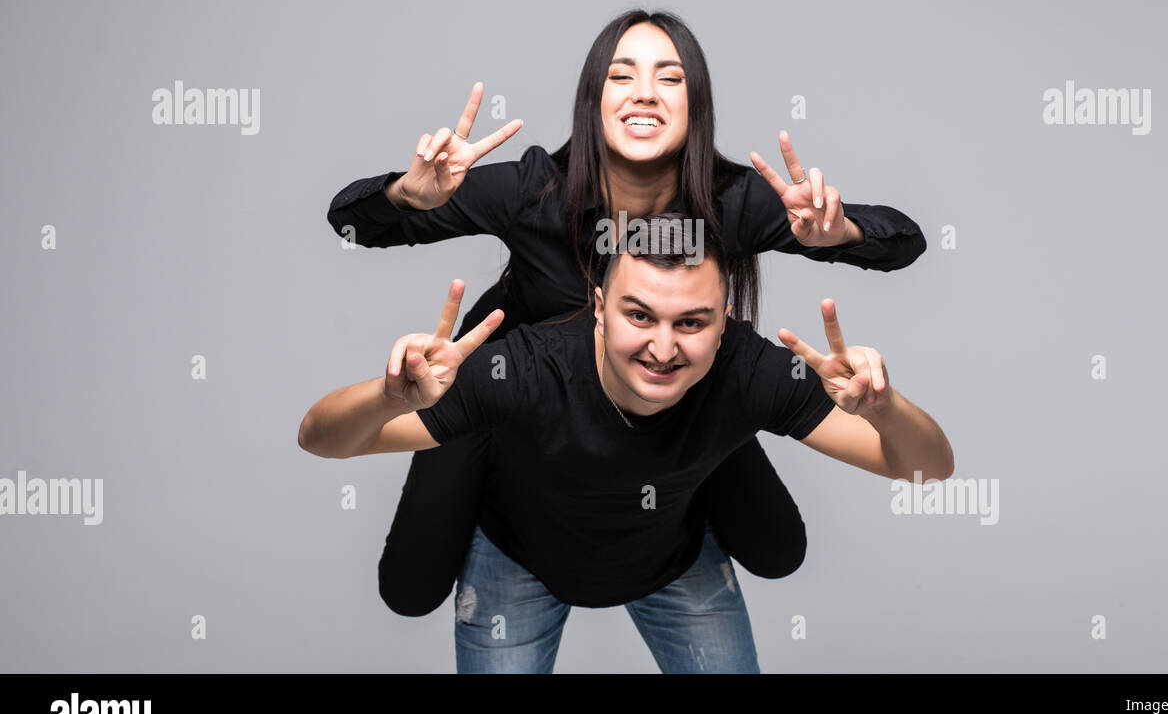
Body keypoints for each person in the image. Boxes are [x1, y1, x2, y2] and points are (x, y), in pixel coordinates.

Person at [325, 8, 928, 617]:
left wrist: (841, 230)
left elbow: (905, 243)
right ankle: (520, 496)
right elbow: (351, 224)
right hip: (519, 397)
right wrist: (408, 194)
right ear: (593, 99)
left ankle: (672, 481)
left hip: (673, 394)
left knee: (777, 548)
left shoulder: (732, 202)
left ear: (697, 105)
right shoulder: (535, 190)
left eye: (670, 78)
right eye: (622, 76)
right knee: (410, 585)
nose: (645, 92)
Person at [298, 215, 953, 672]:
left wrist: (887, 408)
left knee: (776, 545)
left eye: (691, 323)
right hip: (519, 556)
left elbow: (928, 470)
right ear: (600, 306)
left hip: (670, 560)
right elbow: (322, 438)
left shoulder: (749, 368)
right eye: (640, 315)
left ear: (724, 323)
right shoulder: (523, 369)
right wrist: (391, 397)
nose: (663, 348)